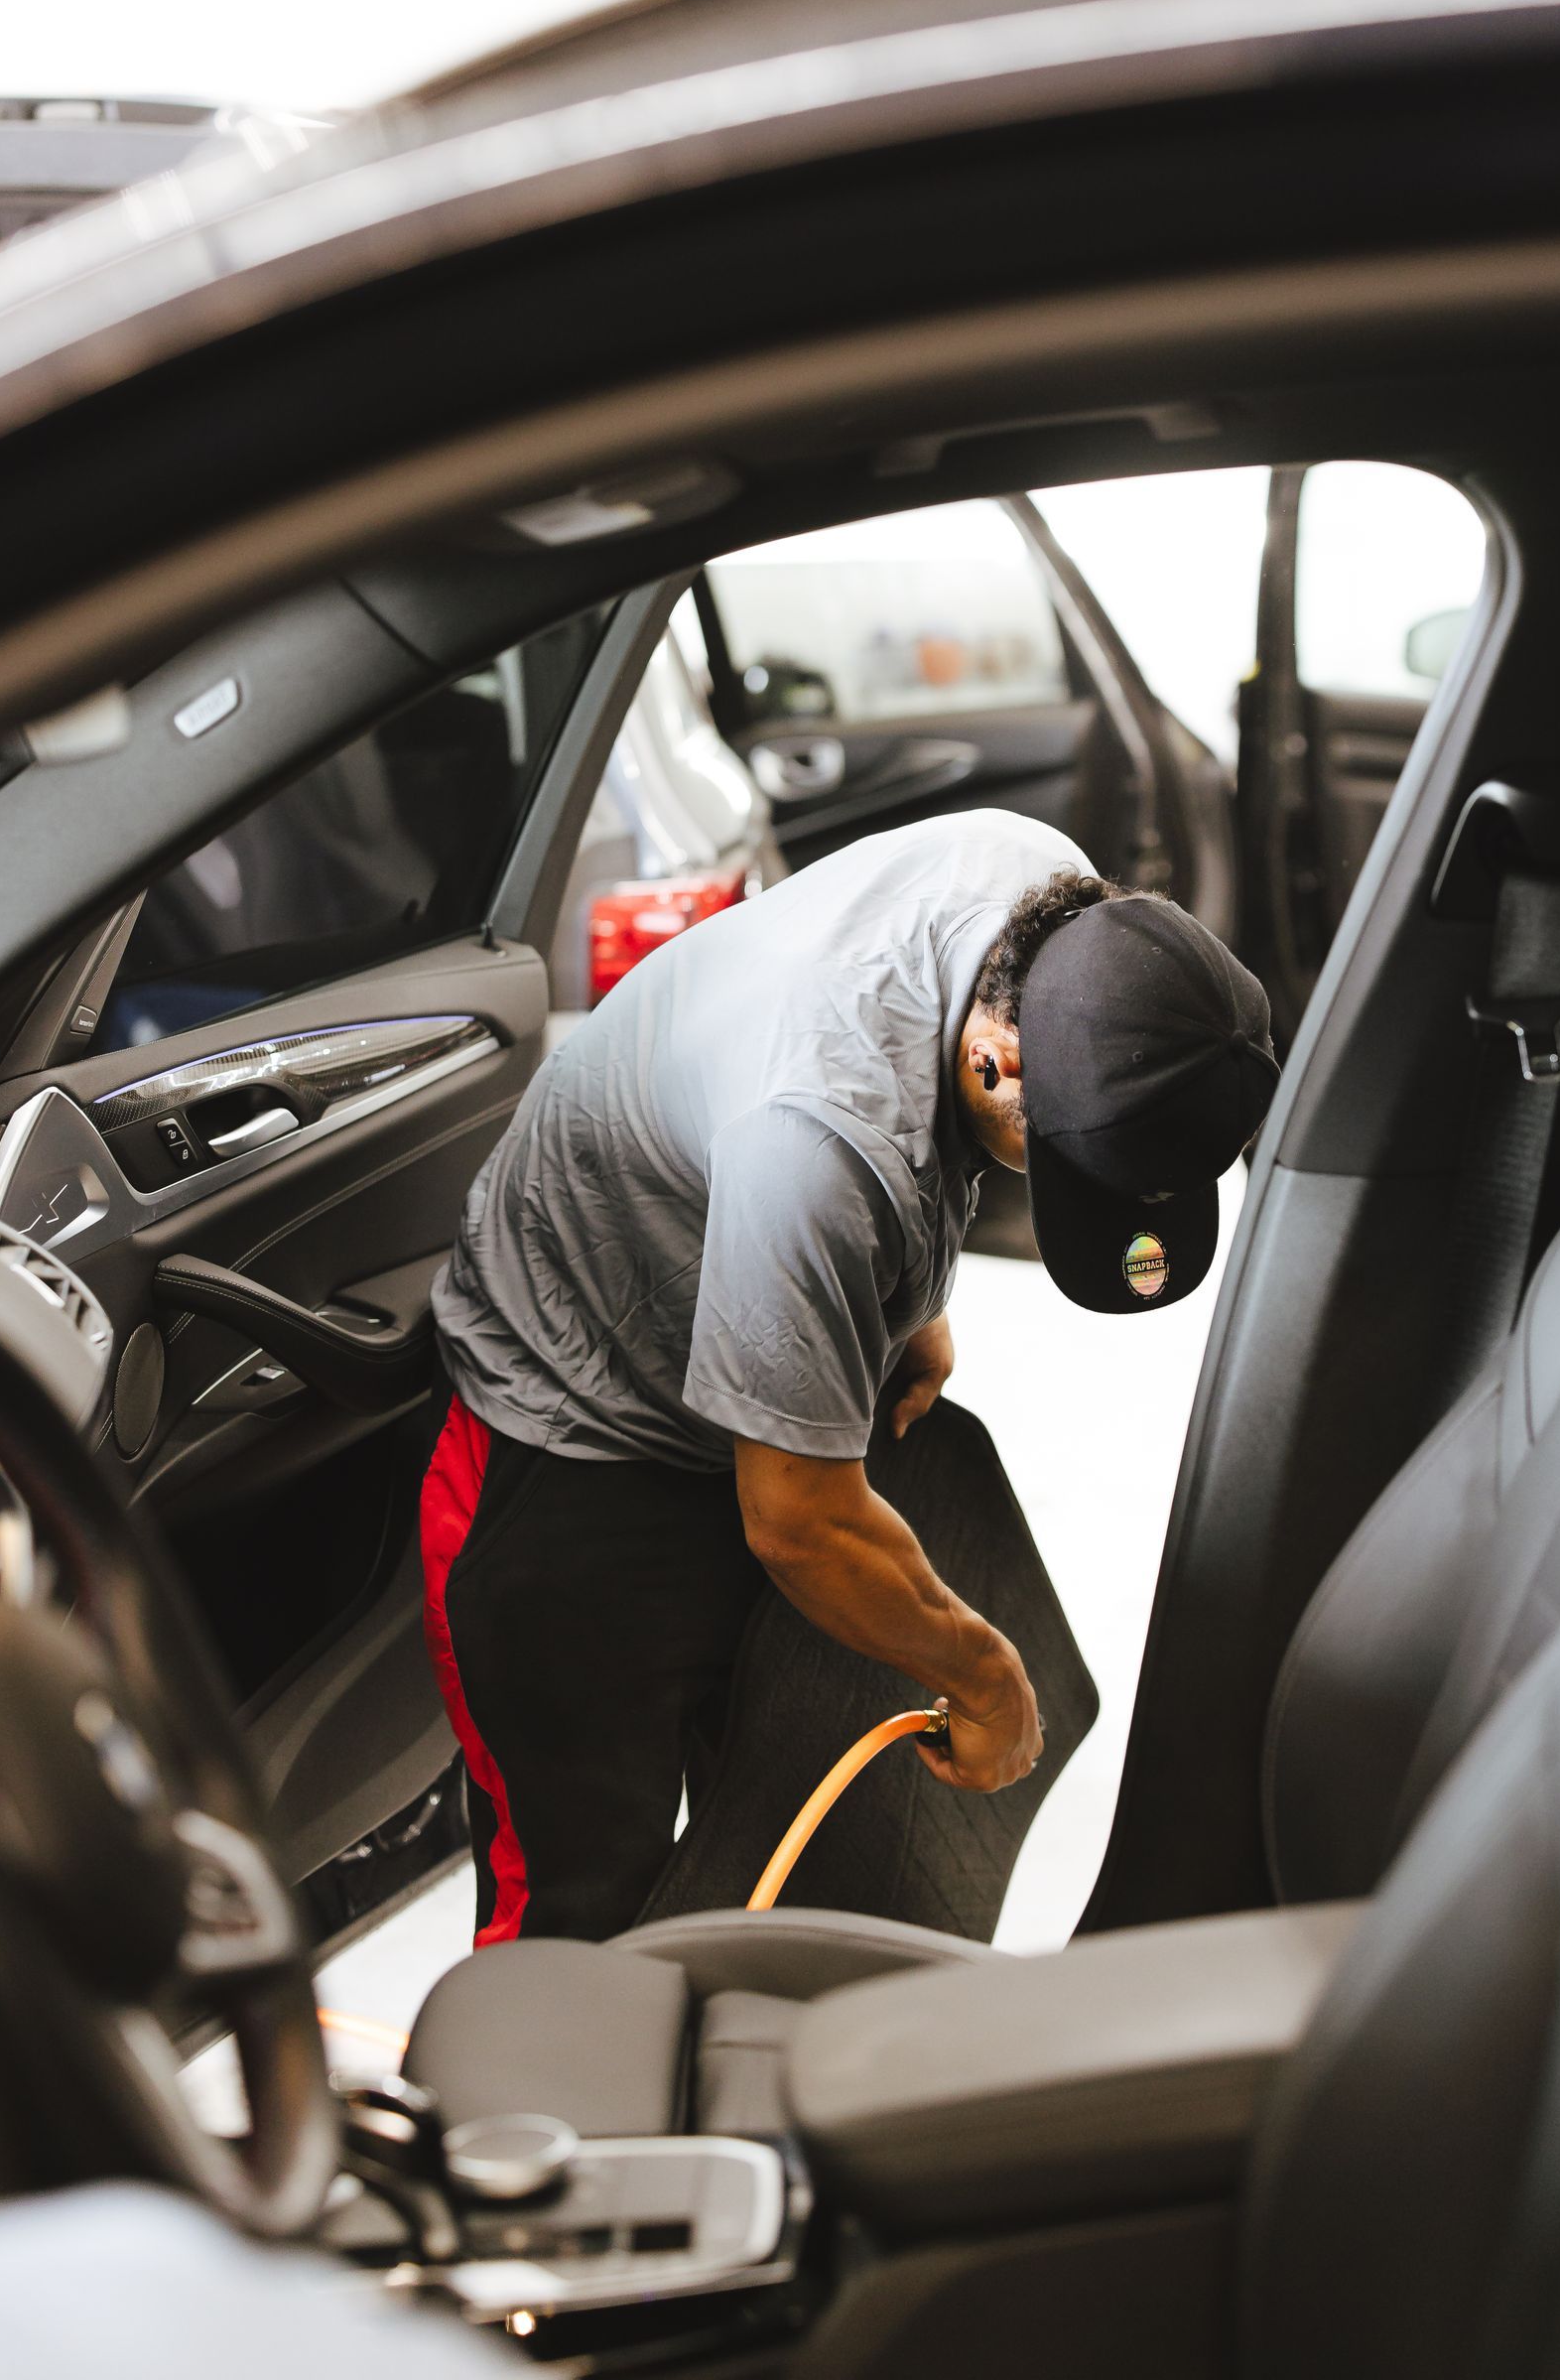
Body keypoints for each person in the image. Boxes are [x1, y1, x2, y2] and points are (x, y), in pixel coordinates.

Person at [425, 808, 1277, 1945]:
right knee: (580, 1921)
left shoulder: (1044, 893)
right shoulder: (817, 1145)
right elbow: (798, 1521)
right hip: (574, 1430)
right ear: (1000, 1054)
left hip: (745, 1312)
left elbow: (928, 1135)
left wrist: (908, 1305)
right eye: (1062, 1159)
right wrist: (981, 1672)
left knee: (776, 1835)